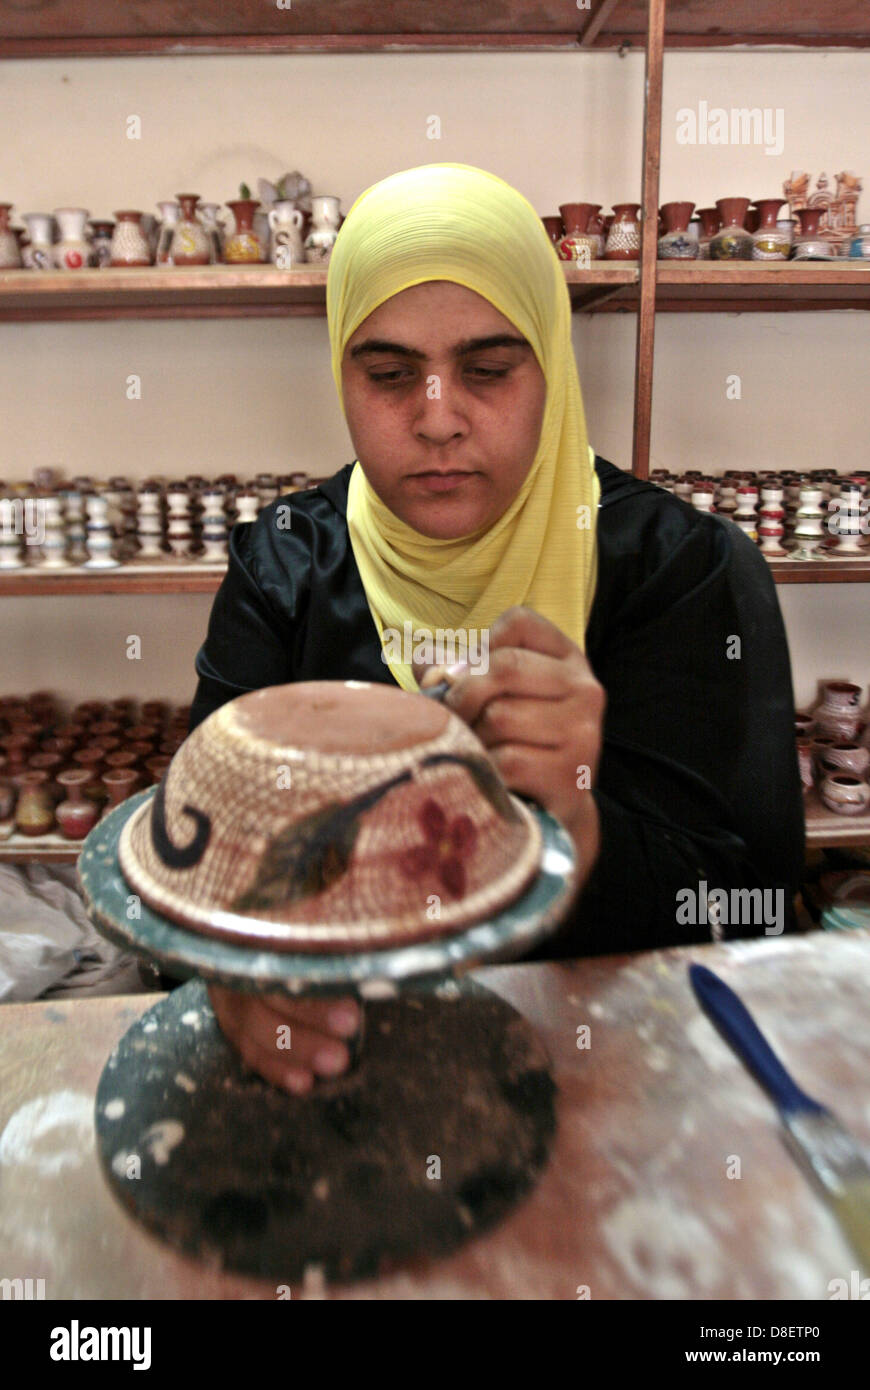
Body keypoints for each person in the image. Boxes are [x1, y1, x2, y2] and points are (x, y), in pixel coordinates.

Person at [187, 163, 804, 1095]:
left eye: (487, 370)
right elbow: (198, 851)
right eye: (390, 374)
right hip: (343, 1078)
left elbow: (745, 911)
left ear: (548, 362)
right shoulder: (284, 567)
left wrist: (580, 827)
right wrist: (233, 974)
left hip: (612, 1083)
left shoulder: (676, 569)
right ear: (339, 374)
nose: (438, 420)